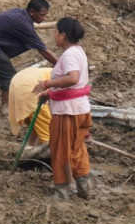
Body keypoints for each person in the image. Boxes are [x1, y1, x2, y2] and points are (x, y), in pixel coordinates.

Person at [33, 17, 92, 199]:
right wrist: (50, 93)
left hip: (68, 112)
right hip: (80, 108)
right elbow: (74, 85)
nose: (54, 35)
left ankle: (63, 190)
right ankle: (84, 187)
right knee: (77, 147)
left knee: (61, 149)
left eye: (55, 32)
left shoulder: (69, 55)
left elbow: (72, 78)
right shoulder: (78, 51)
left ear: (63, 35)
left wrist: (47, 84)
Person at [9, 66, 53, 159]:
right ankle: (52, 161)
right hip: (32, 86)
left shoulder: (54, 71)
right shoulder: (69, 78)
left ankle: (29, 150)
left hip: (17, 82)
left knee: (36, 123)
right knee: (49, 131)